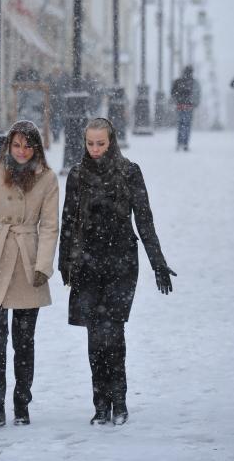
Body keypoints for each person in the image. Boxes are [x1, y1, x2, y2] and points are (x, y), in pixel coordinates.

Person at [58, 118, 176, 426]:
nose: (95, 150)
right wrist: (64, 263)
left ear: (112, 143)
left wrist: (158, 262)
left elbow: (145, 220)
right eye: (90, 144)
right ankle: (100, 403)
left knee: (113, 331)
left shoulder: (129, 172)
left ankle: (119, 399)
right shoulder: (77, 175)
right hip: (86, 263)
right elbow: (68, 220)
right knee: (95, 336)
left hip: (121, 261)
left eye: (101, 143)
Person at [0, 120, 59, 429]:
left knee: (24, 340)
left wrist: (43, 265)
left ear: (36, 148)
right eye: (16, 145)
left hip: (28, 264)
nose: (21, 151)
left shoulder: (47, 179)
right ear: (9, 145)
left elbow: (49, 226)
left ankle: (22, 402)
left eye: (27, 145)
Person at [171, 65, 200, 151]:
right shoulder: (194, 82)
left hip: (180, 106)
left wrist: (177, 100)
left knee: (180, 124)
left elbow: (172, 92)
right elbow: (197, 94)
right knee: (187, 125)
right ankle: (185, 143)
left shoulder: (178, 81)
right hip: (189, 106)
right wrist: (195, 103)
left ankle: (179, 142)